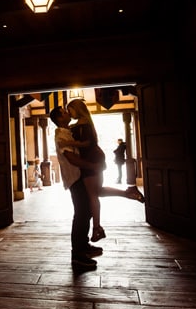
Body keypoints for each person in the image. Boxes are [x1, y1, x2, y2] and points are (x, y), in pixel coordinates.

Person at [65, 98, 144, 243]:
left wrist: (69, 142)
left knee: (93, 196)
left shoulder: (82, 123)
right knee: (97, 192)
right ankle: (129, 193)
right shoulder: (85, 123)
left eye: (69, 109)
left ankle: (97, 228)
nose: (68, 113)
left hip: (90, 160)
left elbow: (88, 143)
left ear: (76, 108)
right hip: (93, 158)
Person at [49, 106, 104, 269]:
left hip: (78, 176)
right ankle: (78, 255)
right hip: (75, 178)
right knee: (81, 214)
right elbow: (72, 158)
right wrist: (93, 166)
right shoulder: (61, 135)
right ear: (59, 118)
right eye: (65, 112)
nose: (68, 113)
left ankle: (83, 246)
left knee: (85, 212)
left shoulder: (68, 131)